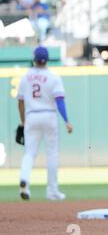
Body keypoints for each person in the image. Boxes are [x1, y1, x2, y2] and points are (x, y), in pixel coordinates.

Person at [17, 46, 73, 201]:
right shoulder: (53, 77)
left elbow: (20, 102)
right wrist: (67, 120)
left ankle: (25, 182)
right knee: (52, 154)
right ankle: (52, 191)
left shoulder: (25, 76)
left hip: (31, 116)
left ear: (34, 59)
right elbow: (59, 100)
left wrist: (23, 122)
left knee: (29, 153)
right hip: (49, 116)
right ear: (47, 59)